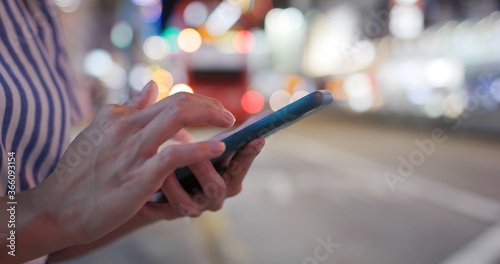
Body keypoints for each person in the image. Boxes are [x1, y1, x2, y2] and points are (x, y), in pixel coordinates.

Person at [0, 1, 265, 263]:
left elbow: (40, 247)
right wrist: (50, 215)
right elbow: (28, 232)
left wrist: (150, 204)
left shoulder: (40, 15)